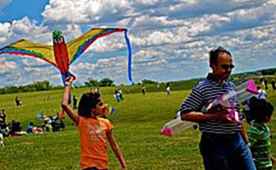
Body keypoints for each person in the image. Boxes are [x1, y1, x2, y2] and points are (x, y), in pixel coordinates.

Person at [180, 47, 256, 170]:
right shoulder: (202, 88)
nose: (229, 70)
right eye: (225, 67)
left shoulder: (230, 86)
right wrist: (216, 116)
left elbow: (236, 116)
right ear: (213, 66)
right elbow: (185, 114)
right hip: (215, 144)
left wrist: (246, 143)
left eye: (231, 67)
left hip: (237, 141)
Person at [61, 76, 127, 170]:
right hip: (89, 166)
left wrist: (123, 165)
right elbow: (64, 105)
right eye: (100, 104)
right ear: (92, 109)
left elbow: (114, 145)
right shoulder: (82, 121)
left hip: (103, 166)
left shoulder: (106, 123)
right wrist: (68, 85)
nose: (103, 106)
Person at [247, 97, 275, 170]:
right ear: (266, 117)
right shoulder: (254, 131)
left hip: (267, 164)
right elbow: (248, 148)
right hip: (259, 166)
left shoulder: (265, 128)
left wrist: (271, 158)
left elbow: (264, 148)